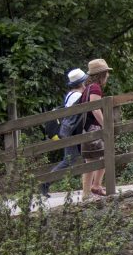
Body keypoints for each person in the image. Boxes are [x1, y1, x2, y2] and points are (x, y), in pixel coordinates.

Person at [39, 68, 88, 196]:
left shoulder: (70, 95)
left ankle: (88, 188)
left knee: (78, 158)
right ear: (82, 83)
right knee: (70, 160)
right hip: (73, 132)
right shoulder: (77, 96)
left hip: (70, 131)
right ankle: (45, 183)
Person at [80, 58, 112, 198]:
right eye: (107, 73)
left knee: (91, 161)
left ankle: (89, 191)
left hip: (86, 128)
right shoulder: (95, 88)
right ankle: (94, 187)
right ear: (102, 74)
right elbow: (95, 109)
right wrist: (106, 125)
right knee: (105, 155)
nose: (108, 76)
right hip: (93, 128)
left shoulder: (87, 88)